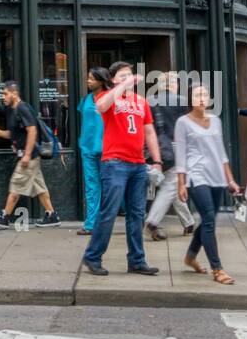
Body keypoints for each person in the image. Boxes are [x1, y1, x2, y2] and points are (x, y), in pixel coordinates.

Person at [82, 62, 164, 277]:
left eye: (130, 74)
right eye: (122, 75)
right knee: (108, 212)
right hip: (114, 163)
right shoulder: (105, 96)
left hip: (137, 164)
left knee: (137, 214)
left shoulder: (141, 102)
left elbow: (149, 132)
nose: (128, 78)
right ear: (113, 80)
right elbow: (102, 108)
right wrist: (122, 85)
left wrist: (157, 160)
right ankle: (93, 257)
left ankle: (137, 260)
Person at [176, 82, 242, 284]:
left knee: (208, 219)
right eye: (197, 95)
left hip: (217, 176)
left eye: (205, 94)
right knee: (209, 221)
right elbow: (180, 154)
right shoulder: (183, 122)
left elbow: (221, 152)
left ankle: (190, 256)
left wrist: (230, 179)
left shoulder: (215, 121)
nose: (202, 98)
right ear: (190, 99)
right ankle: (218, 269)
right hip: (197, 176)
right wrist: (181, 183)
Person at [0, 81, 61, 229]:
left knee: (16, 185)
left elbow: (32, 131)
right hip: (28, 156)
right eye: (2, 94)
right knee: (40, 187)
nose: (3, 97)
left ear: (15, 93)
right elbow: (13, 134)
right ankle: (52, 215)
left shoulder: (23, 108)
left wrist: (27, 155)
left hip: (29, 156)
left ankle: (4, 217)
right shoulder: (12, 110)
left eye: (5, 93)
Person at [145, 71, 195, 242]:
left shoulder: (149, 101)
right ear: (173, 84)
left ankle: (188, 222)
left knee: (169, 186)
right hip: (175, 149)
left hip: (153, 150)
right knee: (170, 186)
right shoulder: (182, 102)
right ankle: (153, 220)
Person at [76, 67, 112, 237]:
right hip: (88, 148)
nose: (88, 81)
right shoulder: (86, 100)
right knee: (92, 187)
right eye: (88, 78)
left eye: (91, 78)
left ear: (101, 80)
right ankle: (91, 224)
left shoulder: (111, 98)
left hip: (109, 149)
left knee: (112, 187)